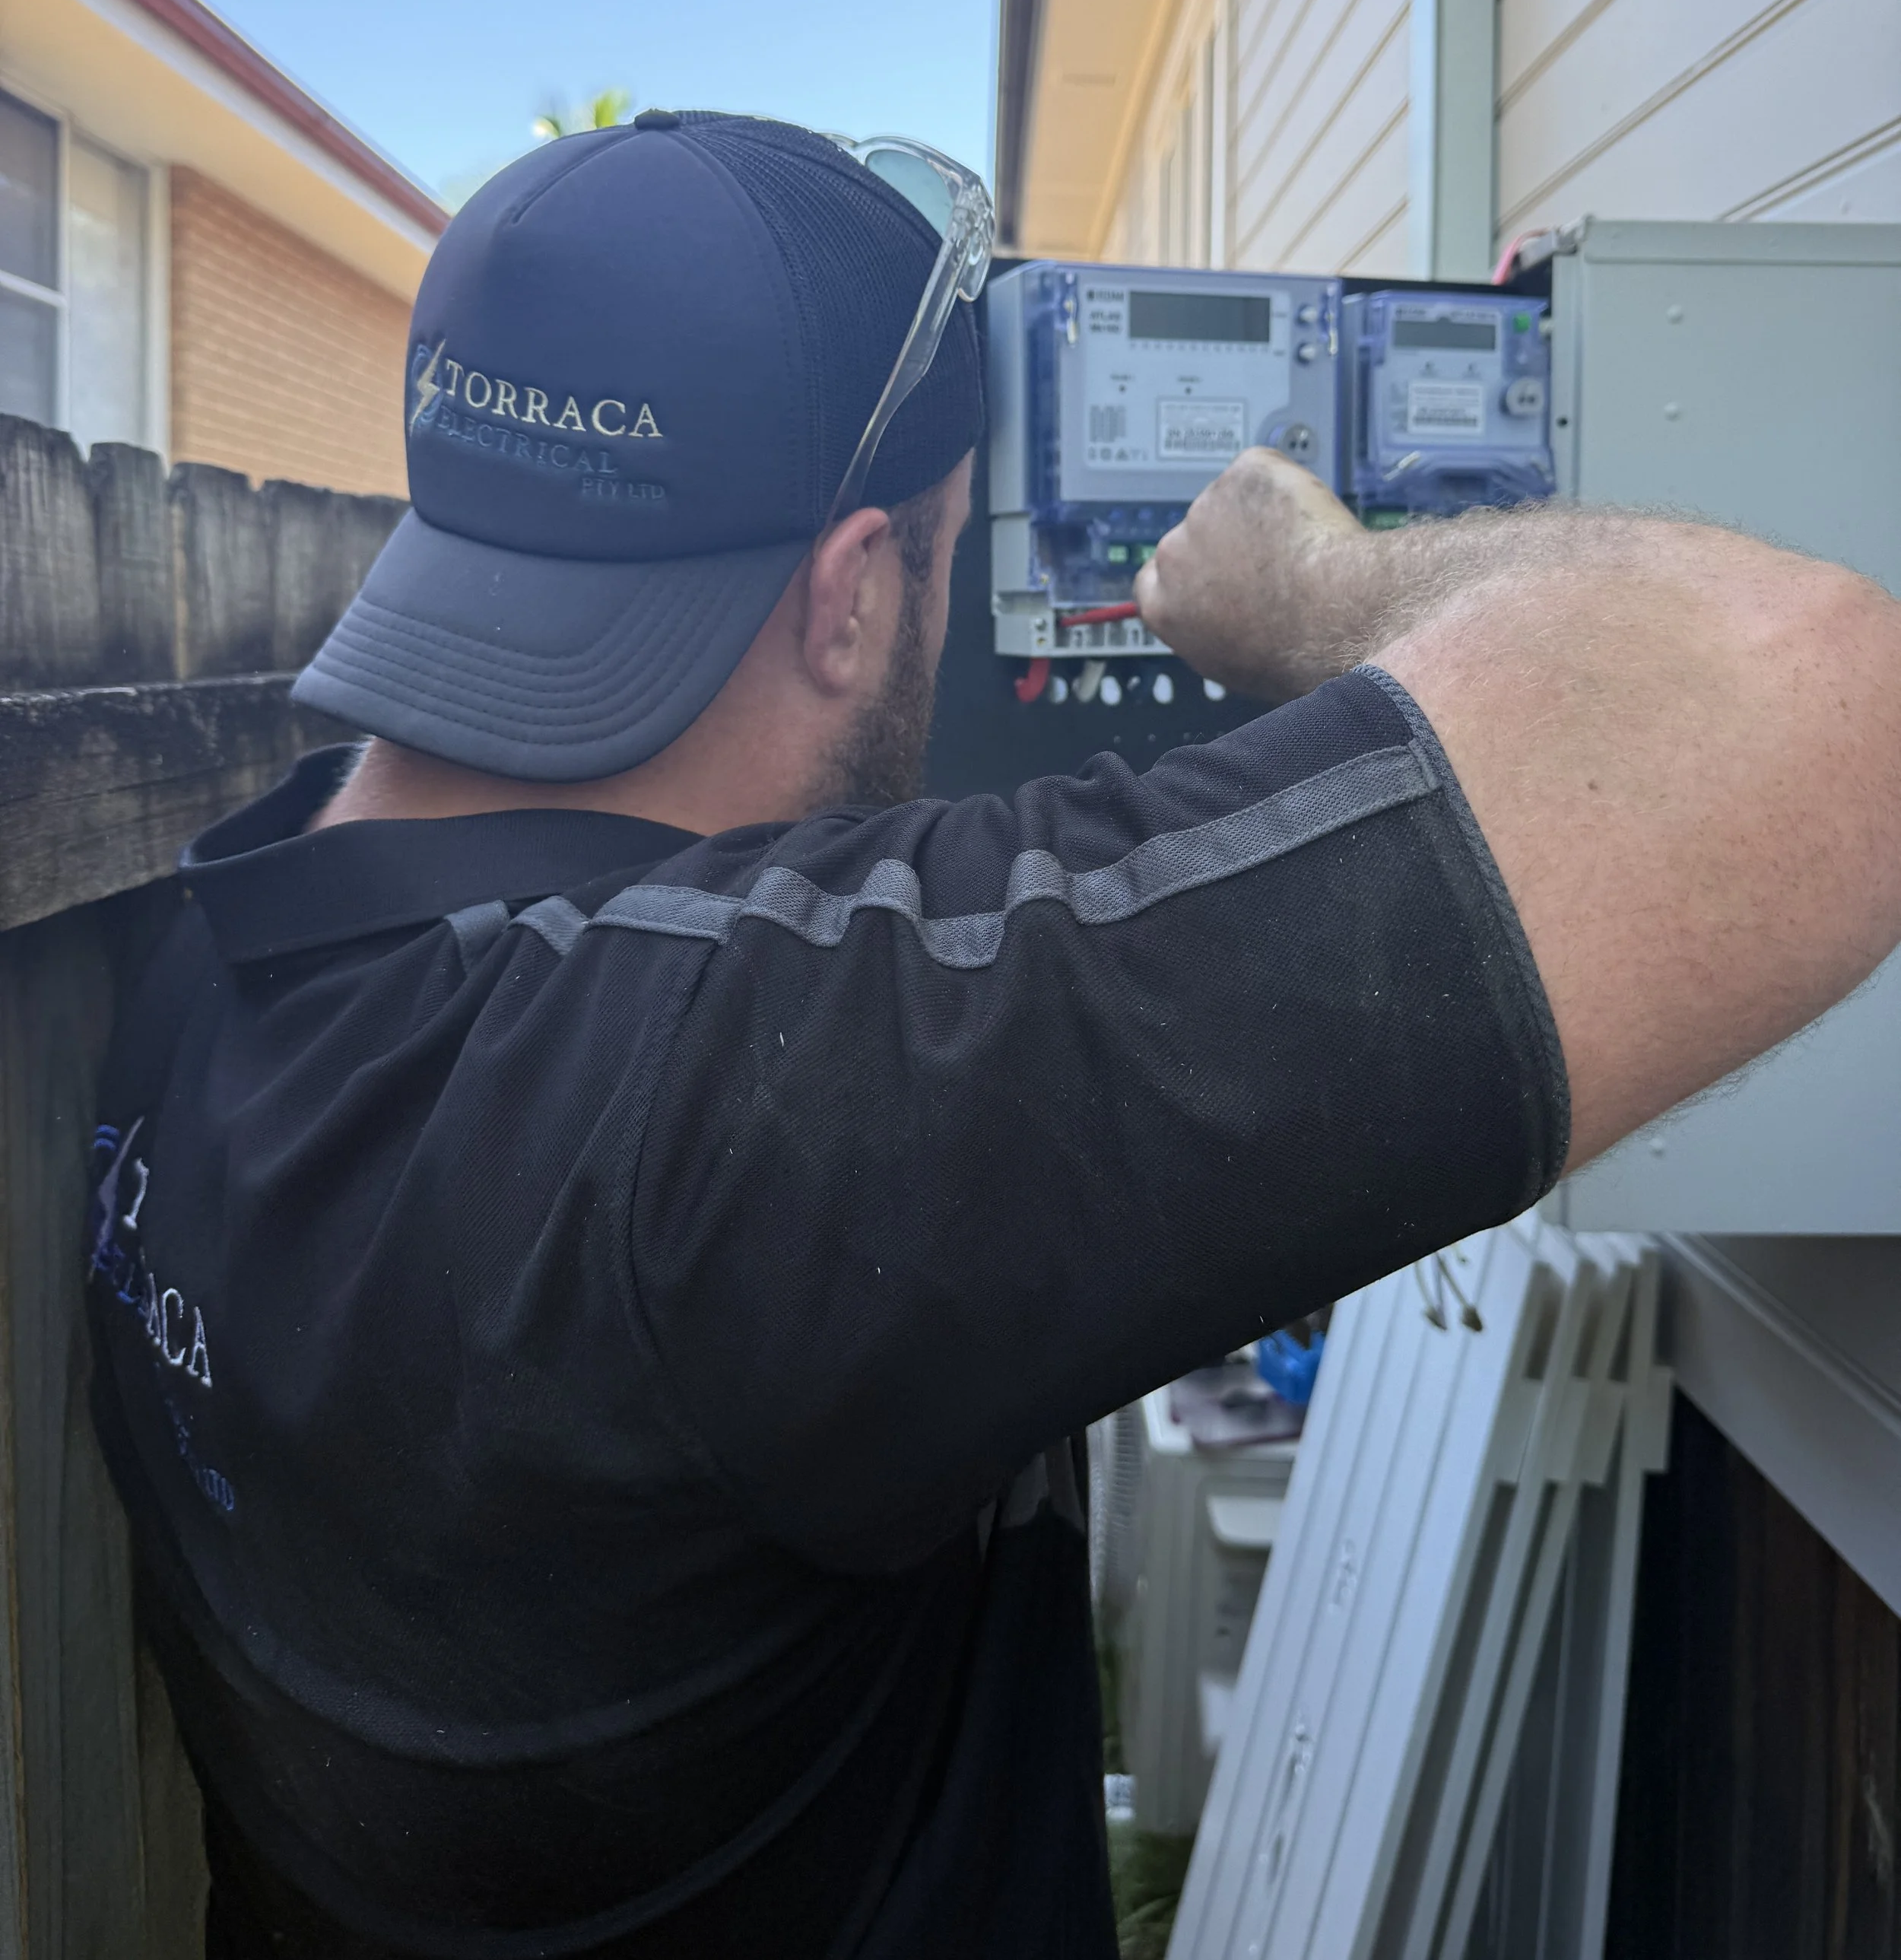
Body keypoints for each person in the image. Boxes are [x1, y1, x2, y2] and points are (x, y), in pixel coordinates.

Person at [87, 112, 1901, 1960]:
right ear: (857, 586)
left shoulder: (211, 956)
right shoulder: (738, 1103)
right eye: (949, 561)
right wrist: (1325, 599)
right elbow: (1821, 703)